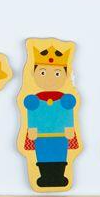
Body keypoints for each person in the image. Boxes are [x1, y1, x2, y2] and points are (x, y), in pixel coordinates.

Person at [20, 42, 79, 189]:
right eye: (43, 73)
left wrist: (69, 127)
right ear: (34, 73)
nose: (50, 78)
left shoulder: (65, 100)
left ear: (66, 74)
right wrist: (32, 128)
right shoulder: (34, 101)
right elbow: (32, 114)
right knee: (43, 155)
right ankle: (45, 177)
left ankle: (59, 176)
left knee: (60, 154)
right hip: (41, 135)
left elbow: (68, 114)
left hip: (60, 134)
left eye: (57, 73)